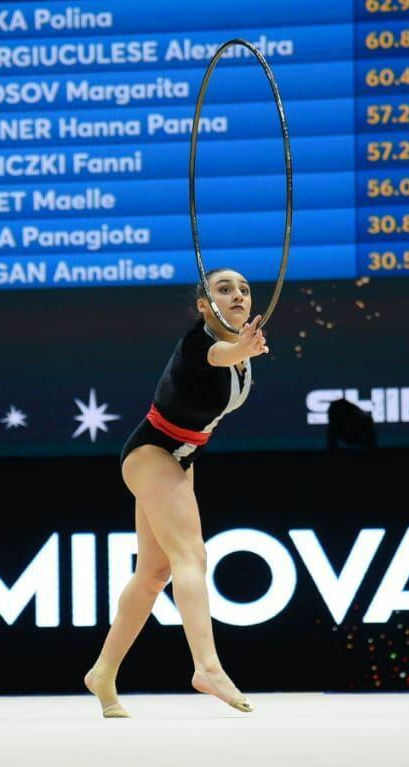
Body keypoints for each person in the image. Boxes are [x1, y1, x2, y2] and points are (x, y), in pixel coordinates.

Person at [83, 268, 268, 718]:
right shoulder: (197, 345)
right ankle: (207, 667)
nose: (238, 295)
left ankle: (103, 672)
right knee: (192, 556)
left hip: (182, 459)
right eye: (224, 289)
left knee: (153, 573)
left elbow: (229, 357)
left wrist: (243, 350)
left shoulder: (241, 350)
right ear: (204, 306)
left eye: (244, 289)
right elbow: (216, 356)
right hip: (151, 451)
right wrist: (240, 350)